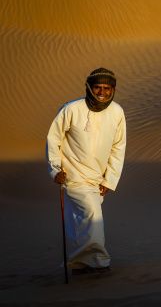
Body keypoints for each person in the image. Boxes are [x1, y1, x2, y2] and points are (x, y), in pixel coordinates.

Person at [46, 68, 126, 274]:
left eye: (106, 88)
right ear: (89, 87)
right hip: (73, 175)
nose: (102, 92)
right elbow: (54, 139)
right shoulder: (72, 108)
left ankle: (80, 264)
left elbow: (119, 147)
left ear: (113, 89)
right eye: (97, 87)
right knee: (93, 217)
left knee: (80, 223)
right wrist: (55, 170)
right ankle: (99, 262)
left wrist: (109, 180)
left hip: (97, 178)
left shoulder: (117, 111)